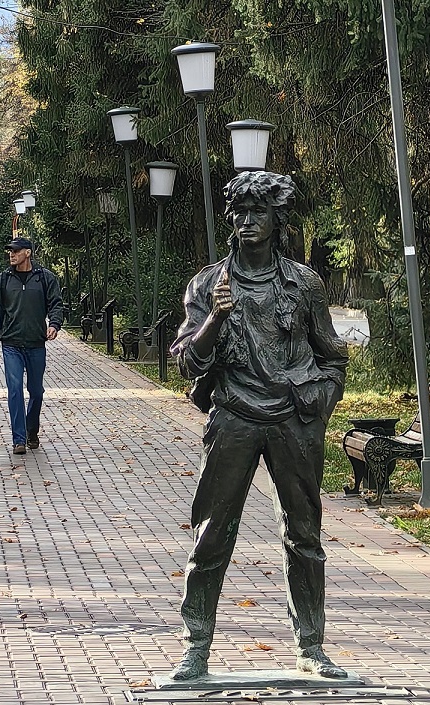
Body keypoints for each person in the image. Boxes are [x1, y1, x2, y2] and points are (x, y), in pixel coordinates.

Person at [168, 171, 349, 681]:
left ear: (277, 221)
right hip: (233, 418)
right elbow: (187, 362)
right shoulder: (208, 284)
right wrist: (213, 321)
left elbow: (332, 356)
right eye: (240, 212)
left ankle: (311, 647)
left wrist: (321, 407)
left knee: (304, 536)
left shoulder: (303, 283)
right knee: (211, 536)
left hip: (293, 420)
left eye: (259, 212)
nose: (247, 221)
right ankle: (195, 646)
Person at [0, 237, 63, 455]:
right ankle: (18, 439)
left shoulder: (45, 278)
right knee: (14, 389)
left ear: (28, 253)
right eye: (10, 251)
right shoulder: (3, 280)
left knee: (36, 391)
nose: (12, 254)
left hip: (36, 344)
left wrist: (54, 324)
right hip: (11, 344)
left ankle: (31, 430)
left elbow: (56, 304)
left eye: (16, 251)